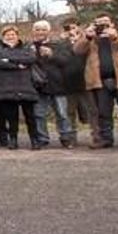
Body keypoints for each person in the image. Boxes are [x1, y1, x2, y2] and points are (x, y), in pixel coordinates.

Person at [73, 14, 118, 149]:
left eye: (105, 23)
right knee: (103, 112)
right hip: (100, 81)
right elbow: (77, 50)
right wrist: (87, 36)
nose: (102, 26)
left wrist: (116, 38)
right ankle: (106, 139)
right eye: (99, 24)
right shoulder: (91, 41)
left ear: (112, 24)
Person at [0, 26, 40, 150]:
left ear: (17, 35)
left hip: (25, 86)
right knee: (12, 117)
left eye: (12, 34)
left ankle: (34, 140)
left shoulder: (26, 47)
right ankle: (13, 139)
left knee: (30, 116)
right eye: (7, 35)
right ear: (3, 37)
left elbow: (31, 59)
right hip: (7, 87)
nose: (10, 37)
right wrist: (18, 66)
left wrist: (9, 59)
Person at [30, 20, 76, 148]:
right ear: (33, 31)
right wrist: (31, 55)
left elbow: (67, 61)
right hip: (39, 86)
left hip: (57, 85)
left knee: (62, 114)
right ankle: (42, 138)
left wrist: (52, 54)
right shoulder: (29, 47)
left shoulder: (58, 45)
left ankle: (66, 137)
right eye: (37, 29)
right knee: (39, 114)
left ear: (48, 31)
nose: (40, 32)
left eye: (43, 29)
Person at [60, 22, 96, 145]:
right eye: (68, 28)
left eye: (74, 27)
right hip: (68, 83)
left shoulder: (88, 41)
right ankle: (71, 139)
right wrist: (65, 42)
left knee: (92, 111)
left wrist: (80, 39)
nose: (71, 31)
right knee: (69, 113)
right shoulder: (62, 44)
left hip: (86, 82)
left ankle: (96, 137)